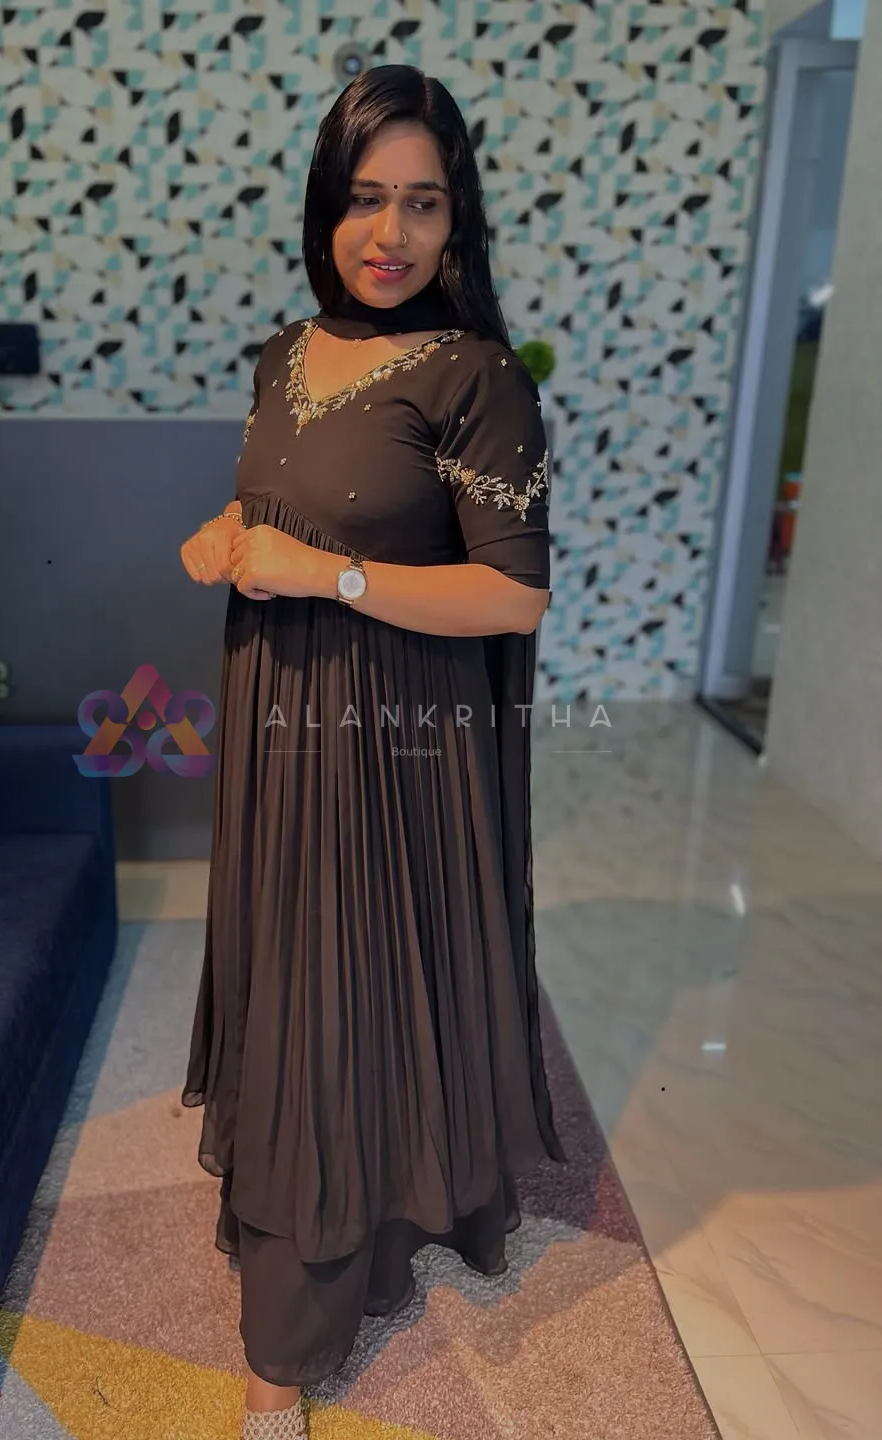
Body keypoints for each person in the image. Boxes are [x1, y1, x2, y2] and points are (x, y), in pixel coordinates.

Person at [179, 63, 567, 1440]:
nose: (388, 233)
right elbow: (279, 510)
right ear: (323, 209)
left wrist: (327, 575)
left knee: (344, 1001)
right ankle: (361, 1209)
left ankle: (283, 1351)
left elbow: (514, 594)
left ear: (458, 221)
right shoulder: (281, 355)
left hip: (394, 752)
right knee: (301, 986)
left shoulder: (480, 378)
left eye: (422, 202)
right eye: (362, 199)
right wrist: (231, 536)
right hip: (280, 739)